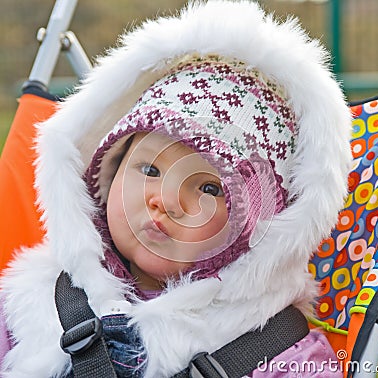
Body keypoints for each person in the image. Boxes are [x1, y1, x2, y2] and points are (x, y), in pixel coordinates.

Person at [0, 1, 353, 376]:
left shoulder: (282, 354)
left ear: (258, 231)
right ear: (109, 175)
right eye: (150, 168)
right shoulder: (28, 305)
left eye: (209, 189)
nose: (166, 201)